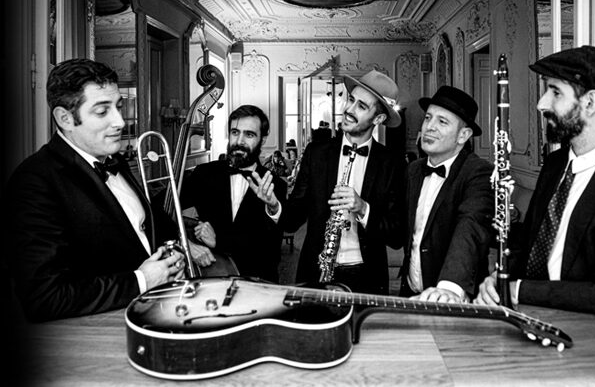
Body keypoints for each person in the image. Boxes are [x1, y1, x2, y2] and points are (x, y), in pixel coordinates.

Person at [474, 45, 595, 314]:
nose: (541, 104)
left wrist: (518, 289)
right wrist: (499, 280)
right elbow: (531, 244)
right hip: (536, 315)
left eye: (555, 92)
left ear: (590, 103)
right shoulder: (555, 164)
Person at [6, 58, 185, 322]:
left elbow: (141, 231)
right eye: (102, 111)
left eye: (118, 107)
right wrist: (142, 280)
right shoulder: (34, 181)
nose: (120, 122)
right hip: (96, 333)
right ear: (65, 118)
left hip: (153, 316)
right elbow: (45, 298)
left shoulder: (114, 160)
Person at [280, 70, 406, 294]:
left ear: (378, 119)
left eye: (361, 106)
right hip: (315, 272)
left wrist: (363, 208)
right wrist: (274, 206)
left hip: (366, 277)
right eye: (351, 99)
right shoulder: (316, 153)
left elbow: (396, 236)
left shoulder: (392, 163)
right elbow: (293, 219)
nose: (349, 109)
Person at [399, 87, 493, 303]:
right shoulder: (413, 170)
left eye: (442, 121)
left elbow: (470, 228)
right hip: (411, 293)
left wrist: (450, 287)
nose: (429, 127)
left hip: (453, 299)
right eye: (428, 118)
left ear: (463, 135)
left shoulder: (479, 172)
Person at [180, 105, 287, 282]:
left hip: (257, 283)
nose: (239, 141)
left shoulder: (275, 185)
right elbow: (160, 211)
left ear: (263, 139)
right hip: (211, 278)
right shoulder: (204, 174)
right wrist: (187, 245)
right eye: (235, 132)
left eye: (249, 135)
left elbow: (269, 252)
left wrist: (273, 207)